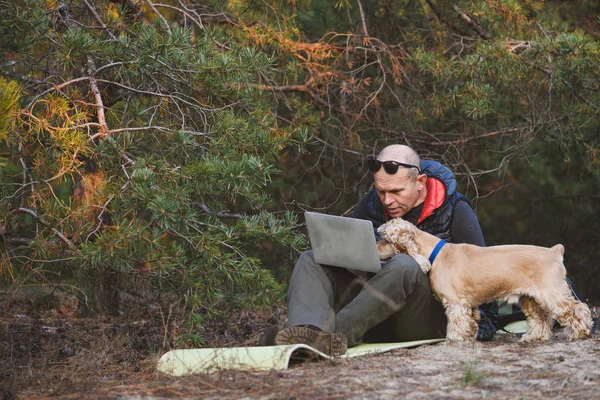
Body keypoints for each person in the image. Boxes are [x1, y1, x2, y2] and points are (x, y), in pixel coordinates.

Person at [265, 144, 497, 356]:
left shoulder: (456, 211)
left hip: (422, 318)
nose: (387, 200)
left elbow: (485, 289)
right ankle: (304, 332)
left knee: (405, 266)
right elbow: (354, 260)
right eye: (381, 191)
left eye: (396, 192)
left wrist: (476, 327)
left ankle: (330, 339)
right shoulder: (371, 205)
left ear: (420, 182)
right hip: (374, 314)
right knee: (314, 258)